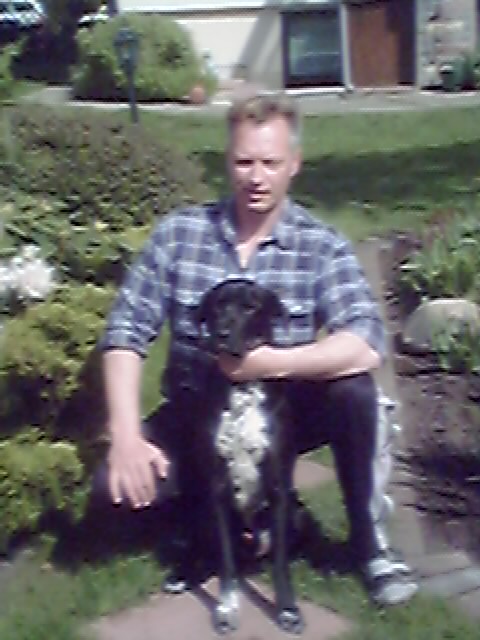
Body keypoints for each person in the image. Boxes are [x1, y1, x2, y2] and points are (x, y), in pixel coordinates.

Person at [98, 90, 418, 606]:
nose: (256, 177)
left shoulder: (321, 245)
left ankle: (368, 543)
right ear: (227, 161)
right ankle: (214, 520)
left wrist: (268, 364)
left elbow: (365, 343)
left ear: (294, 163)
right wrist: (126, 435)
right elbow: (124, 332)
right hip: (197, 409)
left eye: (270, 162)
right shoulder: (179, 235)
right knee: (111, 492)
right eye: (244, 162)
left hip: (284, 410)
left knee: (355, 391)